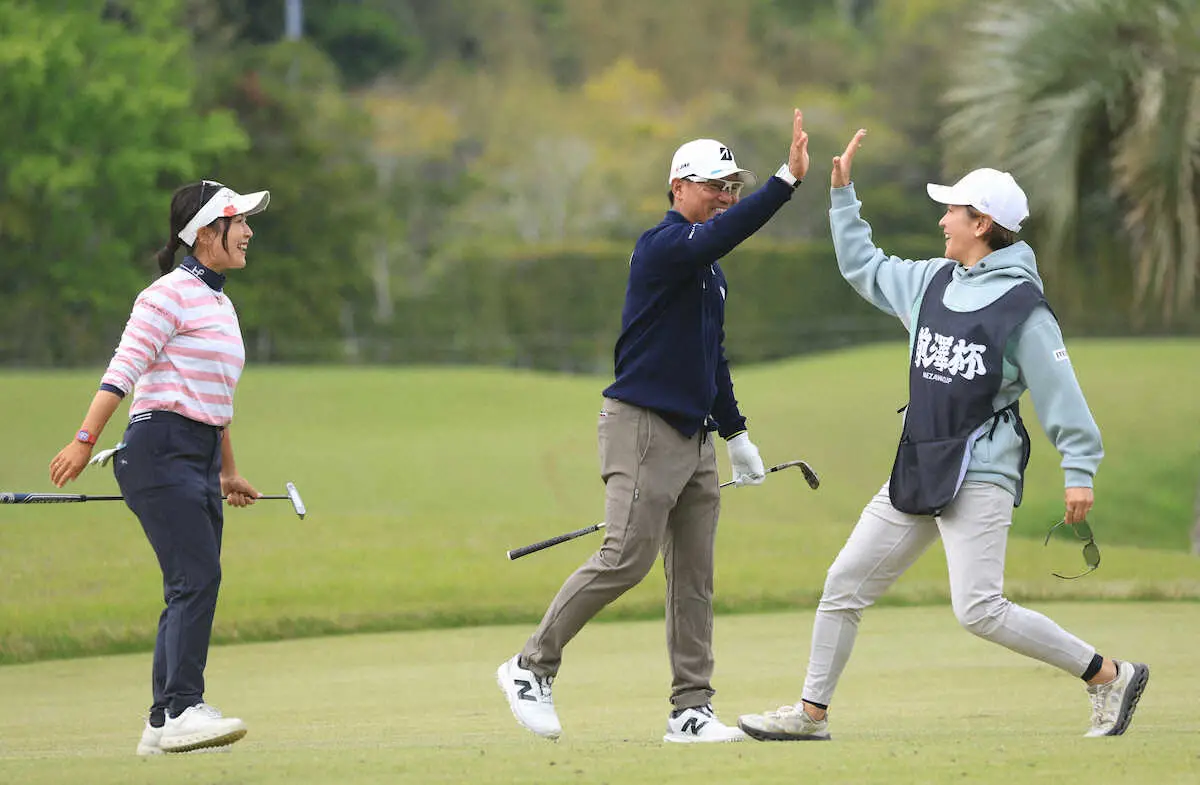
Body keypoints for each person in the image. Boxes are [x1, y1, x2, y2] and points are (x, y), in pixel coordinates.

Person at [737, 130, 1150, 742]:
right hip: (919, 463)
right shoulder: (932, 280)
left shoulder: (1024, 311)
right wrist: (843, 195)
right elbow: (863, 265)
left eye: (952, 210)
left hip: (981, 472)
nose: (941, 220)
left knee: (978, 609)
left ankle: (1109, 675)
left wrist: (1079, 470)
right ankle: (811, 714)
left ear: (981, 224)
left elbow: (1061, 394)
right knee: (843, 584)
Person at [496, 111, 811, 743]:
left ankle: (690, 710)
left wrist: (736, 435)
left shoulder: (711, 274)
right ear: (678, 187)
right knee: (625, 558)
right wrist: (785, 182)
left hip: (694, 439)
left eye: (733, 187)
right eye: (714, 186)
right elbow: (718, 237)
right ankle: (530, 666)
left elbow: (712, 358)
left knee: (694, 578)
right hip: (641, 427)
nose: (726, 197)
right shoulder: (663, 247)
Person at [48, 180, 271, 755]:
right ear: (205, 233)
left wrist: (228, 471)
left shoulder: (220, 304)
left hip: (197, 453)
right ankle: (182, 709)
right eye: (238, 221)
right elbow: (122, 372)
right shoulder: (166, 295)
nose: (248, 231)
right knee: (196, 579)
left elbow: (216, 398)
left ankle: (160, 720)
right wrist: (83, 440)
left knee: (190, 583)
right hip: (158, 449)